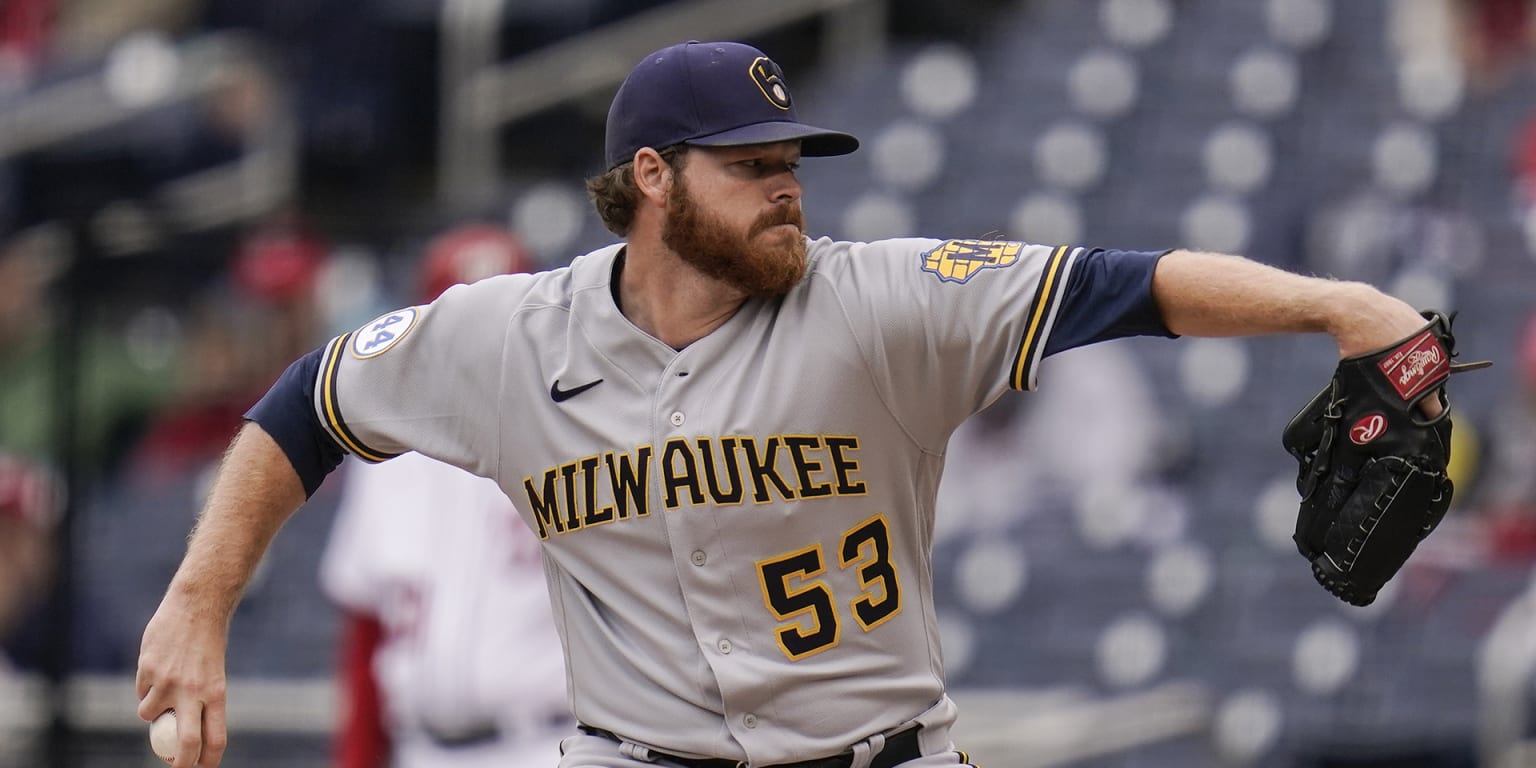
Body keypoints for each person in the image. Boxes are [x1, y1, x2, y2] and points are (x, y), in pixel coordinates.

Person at [136, 40, 1452, 768]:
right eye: (751, 167)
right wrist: (198, 605)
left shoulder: (881, 301)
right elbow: (309, 401)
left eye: (795, 163)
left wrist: (1341, 309)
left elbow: (1134, 285)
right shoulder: (508, 338)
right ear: (651, 179)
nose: (788, 188)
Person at [319, 224, 572, 768]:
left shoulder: (579, 439)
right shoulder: (385, 458)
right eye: (463, 327)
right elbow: (366, 632)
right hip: (421, 749)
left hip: (548, 745)